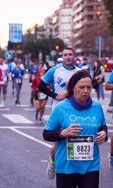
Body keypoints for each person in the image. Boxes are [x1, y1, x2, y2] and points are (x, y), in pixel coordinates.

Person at [42, 69, 107, 188]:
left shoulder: (97, 107)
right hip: (66, 167)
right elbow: (46, 134)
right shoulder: (61, 108)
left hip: (90, 166)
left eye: (89, 87)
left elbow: (103, 126)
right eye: (81, 87)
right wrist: (62, 133)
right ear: (72, 87)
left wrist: (104, 134)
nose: (85, 91)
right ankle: (52, 161)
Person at [38, 47, 81, 179]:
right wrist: (55, 95)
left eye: (70, 55)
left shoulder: (80, 72)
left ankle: (74, 169)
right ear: (62, 57)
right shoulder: (55, 70)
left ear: (74, 56)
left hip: (76, 110)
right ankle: (52, 161)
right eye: (65, 55)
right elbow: (41, 86)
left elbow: (87, 87)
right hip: (59, 111)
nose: (68, 57)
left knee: (76, 140)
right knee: (57, 144)